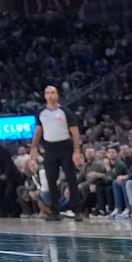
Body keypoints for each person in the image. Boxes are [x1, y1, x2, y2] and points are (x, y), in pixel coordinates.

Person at [28, 84, 83, 222]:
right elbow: (39, 131)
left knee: (71, 179)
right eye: (48, 93)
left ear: (57, 95)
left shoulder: (65, 111)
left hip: (65, 146)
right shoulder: (41, 112)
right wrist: (33, 149)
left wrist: (76, 151)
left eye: (53, 92)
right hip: (50, 148)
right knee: (51, 180)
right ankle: (55, 211)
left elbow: (75, 132)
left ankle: (77, 210)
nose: (50, 95)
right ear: (45, 96)